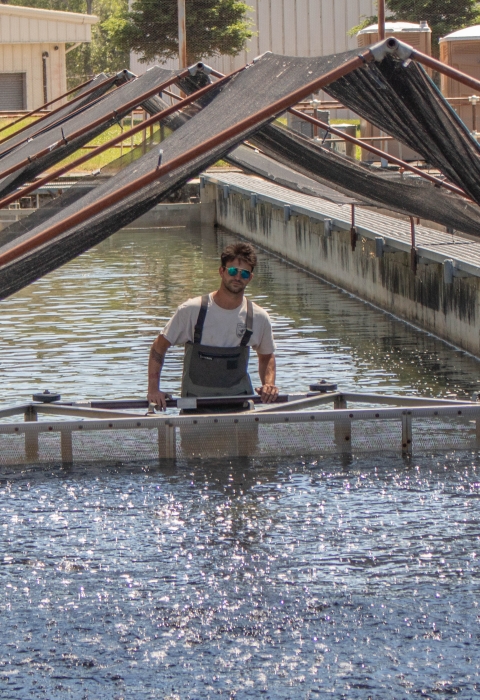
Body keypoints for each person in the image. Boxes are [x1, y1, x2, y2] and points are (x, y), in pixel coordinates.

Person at [147, 242, 278, 410]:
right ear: (221, 271)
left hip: (240, 409)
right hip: (195, 410)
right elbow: (159, 347)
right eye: (232, 271)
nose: (237, 277)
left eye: (244, 273)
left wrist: (269, 384)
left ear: (250, 278)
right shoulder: (192, 310)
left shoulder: (259, 317)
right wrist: (153, 390)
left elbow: (266, 357)